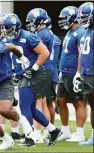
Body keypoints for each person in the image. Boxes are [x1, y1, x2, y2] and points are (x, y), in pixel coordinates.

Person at [3, 13, 62, 147]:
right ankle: (53, 130)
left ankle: (30, 138)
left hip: (34, 74)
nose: (9, 33)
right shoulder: (12, 38)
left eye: (10, 30)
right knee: (30, 107)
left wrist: (34, 68)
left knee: (24, 107)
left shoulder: (28, 36)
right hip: (24, 74)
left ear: (17, 27)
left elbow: (45, 52)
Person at [0, 13, 21, 142]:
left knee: (10, 105)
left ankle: (15, 132)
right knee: (1, 104)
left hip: (11, 74)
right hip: (1, 75)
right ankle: (0, 130)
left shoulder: (10, 39)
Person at [57, 6, 87, 142]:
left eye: (65, 18)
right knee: (60, 101)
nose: (62, 21)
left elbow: (81, 54)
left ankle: (80, 133)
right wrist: (61, 71)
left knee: (78, 102)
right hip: (64, 72)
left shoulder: (80, 32)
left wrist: (78, 72)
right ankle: (66, 131)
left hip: (73, 72)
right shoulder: (70, 32)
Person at [25, 8, 54, 143]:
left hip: (43, 69)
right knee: (42, 102)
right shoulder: (46, 33)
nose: (30, 24)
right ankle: (46, 131)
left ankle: (40, 132)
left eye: (32, 21)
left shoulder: (42, 34)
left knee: (38, 102)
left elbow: (37, 52)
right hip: (46, 69)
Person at [75, 2, 93, 146]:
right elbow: (81, 54)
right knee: (92, 105)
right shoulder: (85, 32)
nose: (83, 20)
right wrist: (78, 72)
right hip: (86, 74)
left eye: (85, 17)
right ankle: (93, 135)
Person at [43, 16, 62, 141]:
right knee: (46, 102)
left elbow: (50, 58)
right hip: (51, 72)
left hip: (49, 72)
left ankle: (50, 129)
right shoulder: (53, 37)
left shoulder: (49, 37)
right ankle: (48, 128)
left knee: (48, 102)